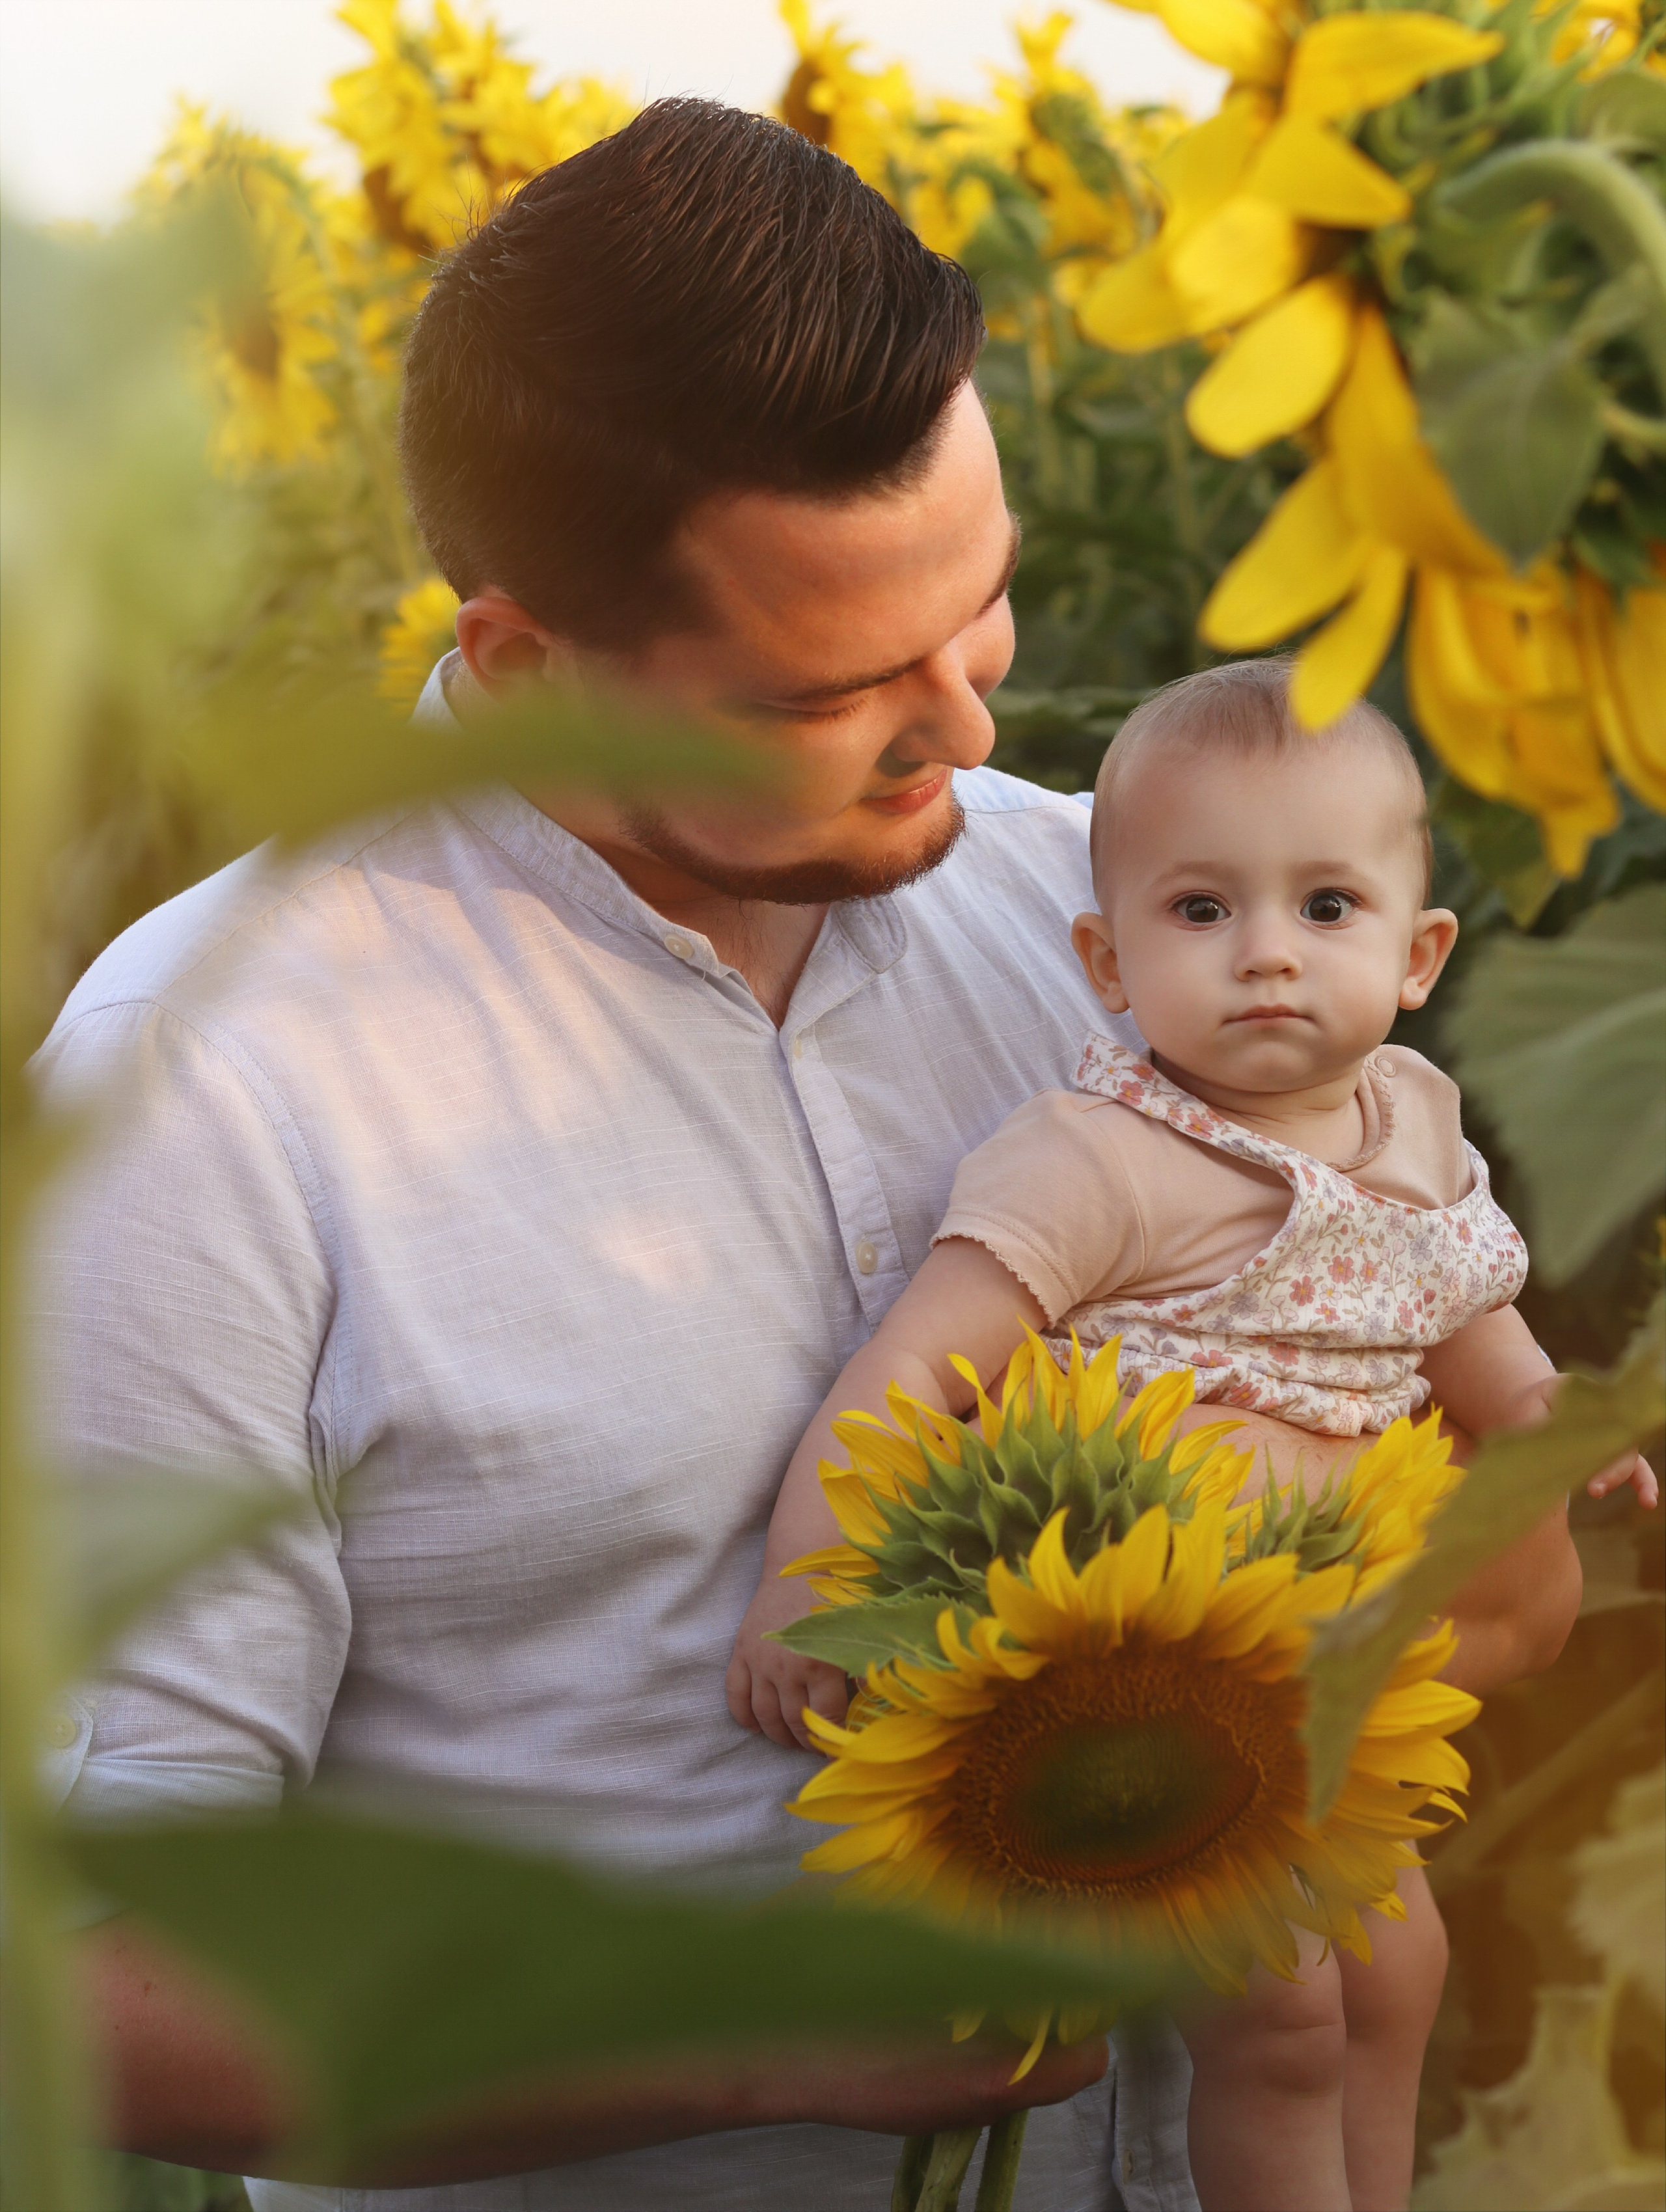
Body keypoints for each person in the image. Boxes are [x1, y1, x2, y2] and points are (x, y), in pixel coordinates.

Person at [34, 105, 1583, 2212]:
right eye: (837, 687)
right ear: (527, 662)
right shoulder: (211, 1090)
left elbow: (1432, 1494)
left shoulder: (1121, 935)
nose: (965, 727)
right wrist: (754, 2030)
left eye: (990, 609)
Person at [728, 661, 1656, 2212]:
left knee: (1403, 1968)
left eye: (1327, 908)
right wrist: (799, 1579)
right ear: (1103, 956)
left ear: (1420, 952)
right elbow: (912, 1369)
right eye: (1202, 912)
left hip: (1337, 1669)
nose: (1268, 957)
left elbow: (1465, 1308)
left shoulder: (1415, 1122)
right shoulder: (1094, 1156)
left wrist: (1550, 1419)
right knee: (1281, 2012)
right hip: (1172, 1668)